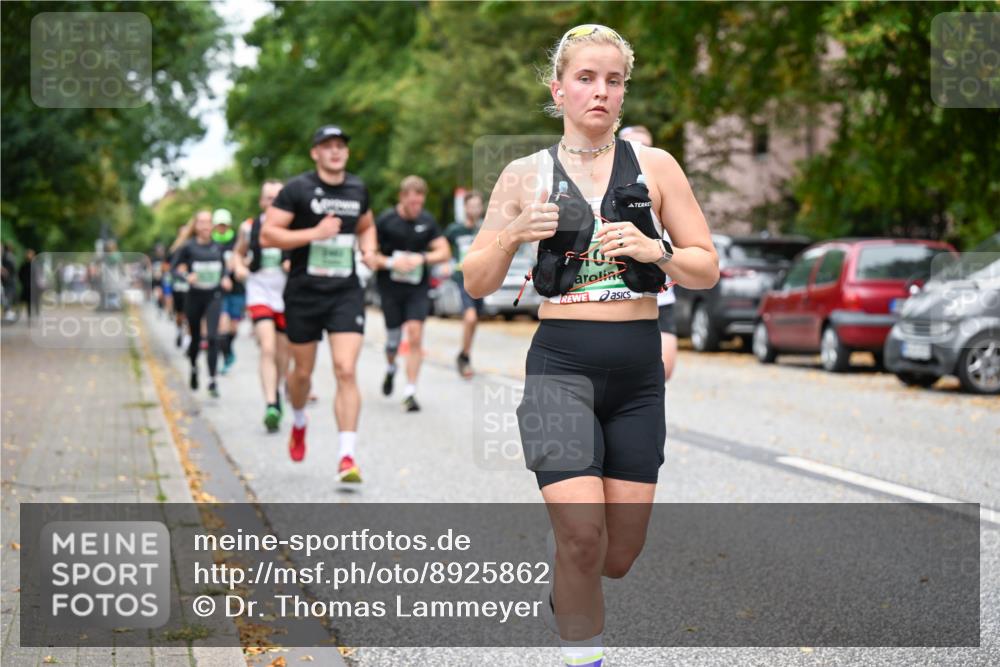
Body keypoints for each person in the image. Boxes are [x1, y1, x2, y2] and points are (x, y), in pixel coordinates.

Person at [461, 24, 718, 667]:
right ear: (558, 89)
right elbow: (475, 281)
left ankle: (568, 592)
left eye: (613, 80)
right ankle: (585, 655)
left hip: (636, 376)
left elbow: (706, 266)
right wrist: (515, 231)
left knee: (616, 557)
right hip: (559, 366)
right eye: (586, 78)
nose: (600, 91)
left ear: (623, 92)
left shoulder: (656, 167)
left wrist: (656, 250)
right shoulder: (524, 174)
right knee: (579, 538)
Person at [261, 125, 377, 481]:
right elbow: (268, 234)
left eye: (341, 145)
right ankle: (298, 420)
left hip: (344, 292)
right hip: (304, 293)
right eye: (328, 146)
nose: (335, 151)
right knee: (303, 375)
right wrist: (315, 233)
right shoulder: (297, 189)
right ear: (315, 152)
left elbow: (366, 226)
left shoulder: (358, 188)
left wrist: (369, 249)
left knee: (345, 369)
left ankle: (346, 457)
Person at [372, 175, 451, 411]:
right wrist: (390, 263)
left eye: (420, 202)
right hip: (390, 288)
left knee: (415, 335)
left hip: (417, 288)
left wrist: (422, 257)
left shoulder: (427, 221)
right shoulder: (386, 220)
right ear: (402, 198)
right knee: (393, 343)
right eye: (412, 203)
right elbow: (370, 255)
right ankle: (390, 368)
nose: (416, 207)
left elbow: (444, 251)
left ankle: (410, 391)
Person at [619, 125, 679, 381]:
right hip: (619, 300)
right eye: (632, 146)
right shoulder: (608, 192)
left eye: (645, 146)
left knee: (663, 370)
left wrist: (660, 252)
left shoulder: (664, 184)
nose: (638, 153)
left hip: (660, 299)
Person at [232, 180, 290, 433]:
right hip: (259, 293)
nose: (273, 202)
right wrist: (240, 268)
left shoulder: (294, 226)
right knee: (267, 347)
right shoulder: (249, 227)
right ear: (261, 201)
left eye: (278, 197)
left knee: (283, 354)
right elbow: (237, 253)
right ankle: (270, 403)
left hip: (287, 296)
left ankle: (278, 390)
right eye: (268, 197)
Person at [171, 210, 229, 398]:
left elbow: (224, 269)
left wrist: (226, 278)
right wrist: (187, 276)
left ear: (212, 225)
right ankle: (194, 367)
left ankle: (212, 380)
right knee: (196, 338)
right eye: (201, 222)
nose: (205, 225)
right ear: (196, 226)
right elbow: (174, 269)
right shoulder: (188, 247)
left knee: (213, 337)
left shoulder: (218, 248)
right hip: (194, 297)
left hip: (213, 296)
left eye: (208, 222)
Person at [443, 190, 486, 378]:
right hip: (462, 279)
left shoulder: (485, 229)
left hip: (481, 280)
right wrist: (446, 263)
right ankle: (465, 356)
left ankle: (464, 353)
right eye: (471, 206)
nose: (474, 209)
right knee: (470, 317)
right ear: (465, 207)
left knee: (475, 319)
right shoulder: (455, 230)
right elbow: (442, 246)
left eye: (477, 206)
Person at [213, 208, 245, 374]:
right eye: (219, 225)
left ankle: (229, 349)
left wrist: (241, 264)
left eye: (224, 225)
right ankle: (226, 356)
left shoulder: (237, 241)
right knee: (222, 324)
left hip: (237, 289)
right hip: (219, 290)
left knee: (234, 327)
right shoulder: (211, 242)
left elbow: (245, 258)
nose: (222, 228)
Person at [169, 218, 195, 349]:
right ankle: (180, 331)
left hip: (192, 286)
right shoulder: (176, 248)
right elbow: (171, 267)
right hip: (179, 285)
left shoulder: (195, 246)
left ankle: (189, 339)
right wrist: (180, 272)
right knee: (180, 314)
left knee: (190, 314)